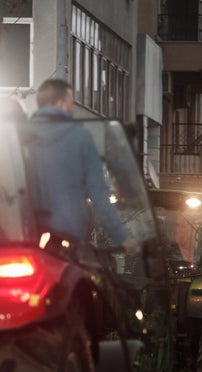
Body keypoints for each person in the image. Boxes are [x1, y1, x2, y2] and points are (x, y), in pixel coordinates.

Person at [24, 78, 138, 253]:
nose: (72, 109)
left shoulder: (18, 137)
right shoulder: (80, 137)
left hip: (23, 237)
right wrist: (123, 238)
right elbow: (99, 194)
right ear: (62, 104)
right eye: (71, 103)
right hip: (65, 240)